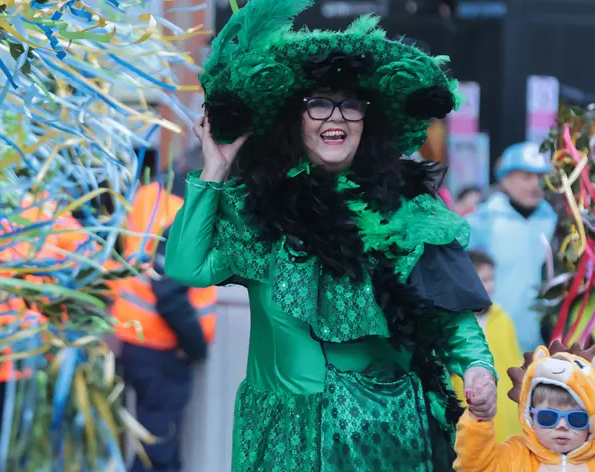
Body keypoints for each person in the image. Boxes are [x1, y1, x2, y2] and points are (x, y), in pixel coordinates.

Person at [163, 0, 498, 470]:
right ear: (292, 119)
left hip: (383, 435)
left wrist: (478, 369)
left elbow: (448, 313)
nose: (335, 117)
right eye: (317, 103)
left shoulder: (409, 211)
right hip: (282, 438)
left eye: (350, 105)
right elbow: (185, 266)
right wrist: (214, 173)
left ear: (369, 119)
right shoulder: (257, 208)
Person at [112, 147, 217, 472]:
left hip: (132, 337)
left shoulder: (147, 195)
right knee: (158, 450)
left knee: (148, 439)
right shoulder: (187, 213)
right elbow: (169, 292)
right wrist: (195, 346)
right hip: (163, 346)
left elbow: (119, 257)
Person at [454, 341, 595, 471]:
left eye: (576, 419)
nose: (562, 426)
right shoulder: (514, 456)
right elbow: (476, 466)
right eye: (548, 417)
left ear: (593, 420)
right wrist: (479, 419)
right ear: (530, 417)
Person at [467, 141, 557, 352]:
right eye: (526, 177)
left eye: (540, 177)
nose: (535, 184)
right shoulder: (484, 220)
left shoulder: (553, 220)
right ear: (505, 179)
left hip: (538, 340)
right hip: (491, 337)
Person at [450, 251, 523, 443]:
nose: (490, 287)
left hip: (507, 410)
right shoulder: (453, 325)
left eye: (491, 279)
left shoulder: (502, 319)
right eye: (483, 280)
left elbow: (515, 363)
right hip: (469, 410)